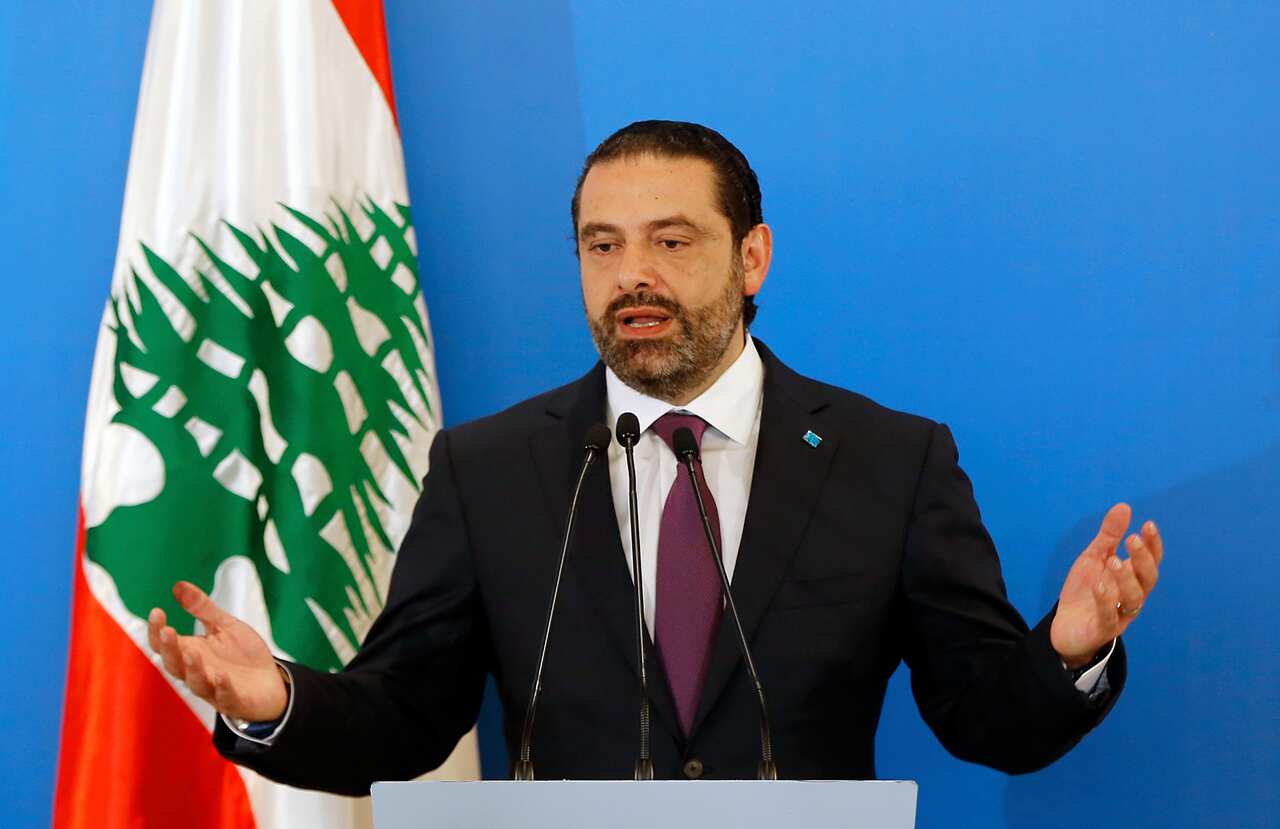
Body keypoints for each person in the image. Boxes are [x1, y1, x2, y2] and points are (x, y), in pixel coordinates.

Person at [147, 121, 1163, 792]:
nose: (631, 275)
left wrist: (1067, 649)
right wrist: (279, 698)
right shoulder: (489, 467)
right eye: (601, 244)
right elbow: (406, 717)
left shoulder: (888, 460)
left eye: (671, 242)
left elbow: (987, 719)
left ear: (751, 255)